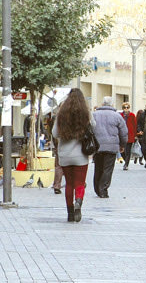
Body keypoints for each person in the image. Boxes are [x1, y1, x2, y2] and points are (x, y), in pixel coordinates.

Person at [52, 88, 95, 222]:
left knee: (69, 184)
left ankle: (70, 213)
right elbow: (94, 126)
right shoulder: (86, 113)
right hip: (81, 155)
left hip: (64, 155)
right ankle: (78, 202)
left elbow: (55, 133)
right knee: (80, 183)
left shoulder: (61, 114)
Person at [92, 97, 128, 198]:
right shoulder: (117, 116)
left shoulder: (94, 115)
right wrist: (122, 145)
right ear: (112, 105)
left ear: (102, 104)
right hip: (112, 146)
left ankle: (97, 189)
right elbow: (124, 132)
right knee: (107, 169)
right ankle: (103, 189)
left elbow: (88, 129)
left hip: (97, 146)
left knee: (98, 167)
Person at [120, 102, 138, 169]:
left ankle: (126, 164)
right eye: (125, 107)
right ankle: (126, 161)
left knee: (128, 150)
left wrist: (135, 135)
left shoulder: (132, 115)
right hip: (122, 135)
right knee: (122, 151)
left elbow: (135, 125)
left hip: (130, 135)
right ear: (123, 108)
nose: (126, 109)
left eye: (127, 107)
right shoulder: (120, 115)